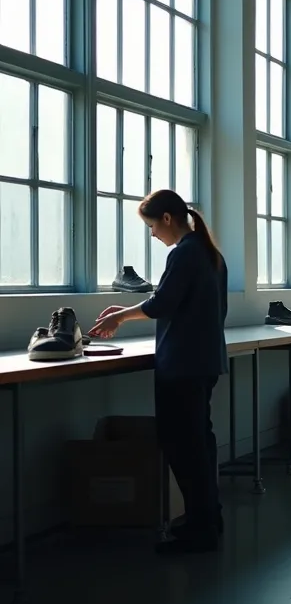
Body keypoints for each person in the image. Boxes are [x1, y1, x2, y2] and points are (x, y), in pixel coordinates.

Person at [90, 190, 228, 554]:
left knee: (184, 447)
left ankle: (200, 530)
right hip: (205, 361)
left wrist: (120, 316)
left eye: (152, 226)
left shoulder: (183, 253)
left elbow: (161, 303)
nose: (152, 234)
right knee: (200, 442)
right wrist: (133, 308)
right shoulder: (212, 255)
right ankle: (209, 518)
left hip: (181, 365)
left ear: (167, 219)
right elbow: (187, 306)